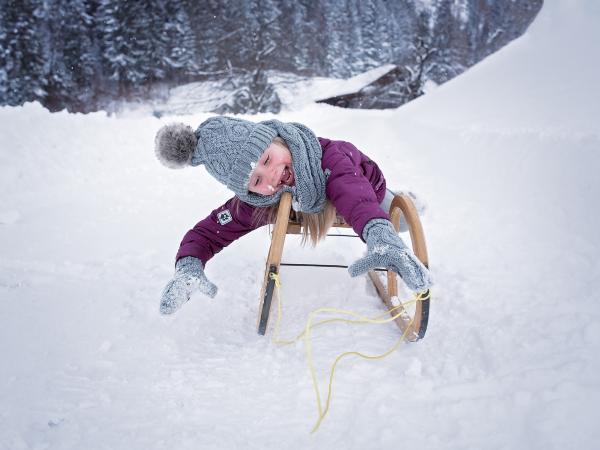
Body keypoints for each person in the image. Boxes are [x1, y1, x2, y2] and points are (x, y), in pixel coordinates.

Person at [154, 116, 432, 315]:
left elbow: (354, 196)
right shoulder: (262, 200)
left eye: (266, 160)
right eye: (256, 181)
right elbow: (208, 232)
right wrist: (188, 266)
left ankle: (406, 200)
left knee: (401, 219)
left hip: (364, 188)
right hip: (305, 207)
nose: (273, 176)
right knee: (279, 200)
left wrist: (381, 235)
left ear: (277, 139)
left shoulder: (331, 158)